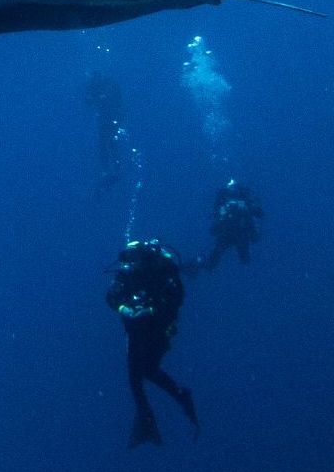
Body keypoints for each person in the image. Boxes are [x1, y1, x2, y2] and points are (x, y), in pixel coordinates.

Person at [106, 239, 197, 447]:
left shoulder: (161, 269)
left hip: (159, 328)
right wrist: (124, 309)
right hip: (135, 329)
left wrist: (151, 311)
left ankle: (178, 398)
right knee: (135, 378)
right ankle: (146, 419)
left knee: (148, 369)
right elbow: (111, 297)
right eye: (128, 260)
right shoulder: (126, 274)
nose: (131, 264)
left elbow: (177, 298)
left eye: (135, 259)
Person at [198, 178, 264, 272]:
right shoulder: (223, 199)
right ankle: (197, 265)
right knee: (214, 258)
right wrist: (223, 211)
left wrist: (247, 208)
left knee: (245, 259)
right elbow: (216, 215)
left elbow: (260, 214)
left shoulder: (245, 199)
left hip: (241, 231)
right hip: (227, 231)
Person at [85, 71, 125, 189]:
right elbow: (89, 101)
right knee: (106, 142)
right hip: (106, 118)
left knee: (109, 142)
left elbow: (117, 101)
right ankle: (110, 170)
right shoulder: (100, 85)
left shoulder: (108, 85)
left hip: (110, 117)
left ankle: (112, 170)